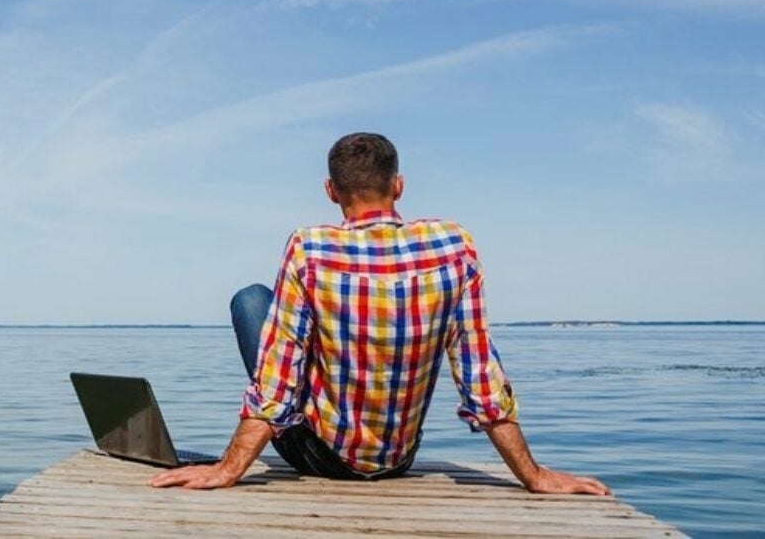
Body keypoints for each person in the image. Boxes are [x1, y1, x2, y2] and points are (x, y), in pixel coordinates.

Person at [149, 132, 610, 495]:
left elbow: (277, 379)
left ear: (331, 191)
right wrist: (533, 475)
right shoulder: (453, 246)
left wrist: (228, 470)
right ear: (399, 185)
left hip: (324, 458)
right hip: (398, 458)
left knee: (251, 300)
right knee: (464, 335)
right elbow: (479, 376)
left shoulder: (310, 249)